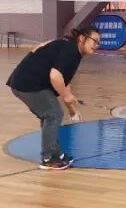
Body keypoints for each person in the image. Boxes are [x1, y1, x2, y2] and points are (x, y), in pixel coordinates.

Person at [7, 26, 101, 170]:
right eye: (94, 41)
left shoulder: (72, 48)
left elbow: (64, 81)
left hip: (27, 82)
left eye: (98, 42)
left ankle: (57, 154)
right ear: (82, 38)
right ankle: (48, 158)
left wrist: (72, 110)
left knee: (50, 115)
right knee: (53, 114)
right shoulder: (70, 50)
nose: (97, 45)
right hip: (28, 84)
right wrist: (67, 96)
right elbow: (55, 76)